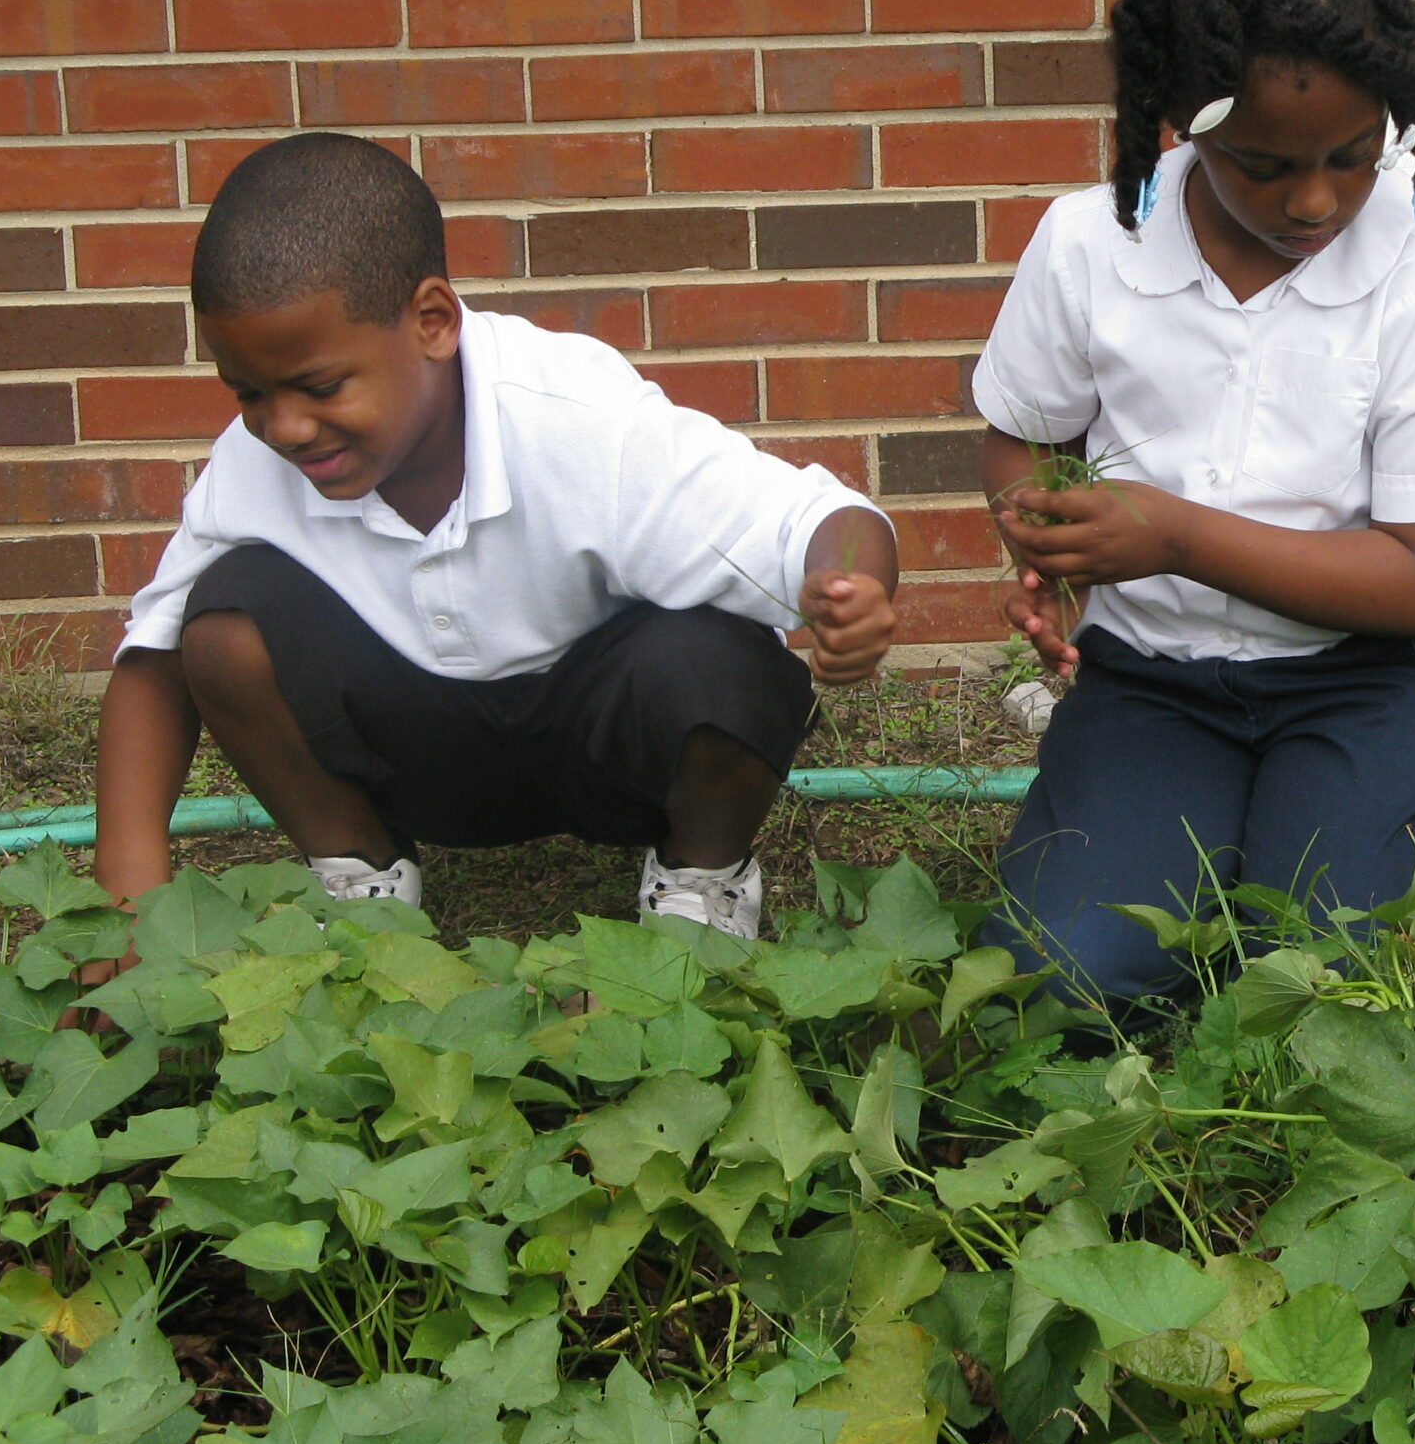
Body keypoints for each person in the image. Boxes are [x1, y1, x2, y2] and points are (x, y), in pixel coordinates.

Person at [973, 0, 1415, 1018]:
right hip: (1154, 683)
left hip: (1367, 680)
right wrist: (1046, 541)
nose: (1314, 201)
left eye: (1352, 158)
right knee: (1062, 983)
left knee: (1324, 983)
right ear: (1185, 125)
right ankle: (1173, 843)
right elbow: (1021, 436)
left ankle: (1324, 833)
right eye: (1263, 167)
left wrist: (1170, 533)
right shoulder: (1089, 245)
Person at [93, 133, 897, 939]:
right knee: (220, 623)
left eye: (322, 386)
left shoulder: (581, 423)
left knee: (725, 658)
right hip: (422, 759)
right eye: (249, 395)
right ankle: (360, 871)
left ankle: (701, 881)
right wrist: (126, 880)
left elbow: (823, 522)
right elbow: (154, 662)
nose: (285, 427)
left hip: (605, 754)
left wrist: (853, 583)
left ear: (432, 322)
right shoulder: (256, 464)